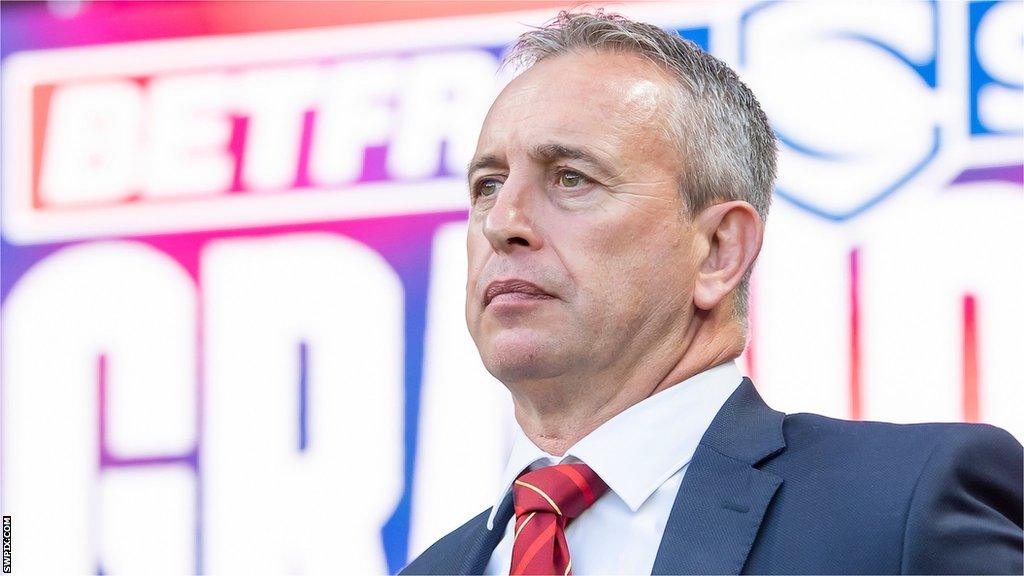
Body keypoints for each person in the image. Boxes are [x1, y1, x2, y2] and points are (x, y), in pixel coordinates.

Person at [401, 10, 1023, 575]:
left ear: (720, 250)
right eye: (486, 184)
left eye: (571, 177)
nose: (501, 221)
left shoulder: (901, 507)